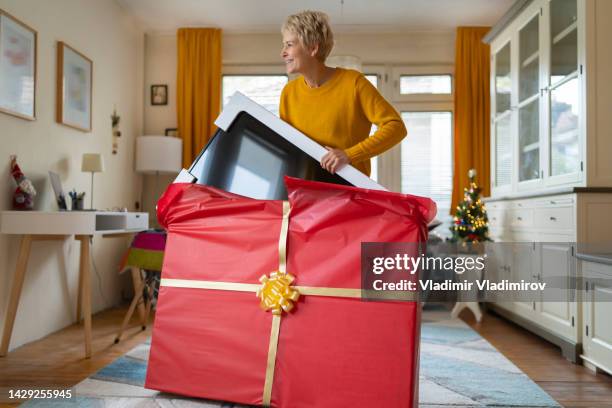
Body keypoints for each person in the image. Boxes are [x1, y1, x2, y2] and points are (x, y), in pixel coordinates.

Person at [279, 10, 406, 176]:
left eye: (289, 44)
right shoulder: (289, 92)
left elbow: (396, 127)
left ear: (312, 48)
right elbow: (287, 147)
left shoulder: (353, 83)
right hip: (305, 193)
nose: (283, 52)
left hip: (349, 193)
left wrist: (349, 155)